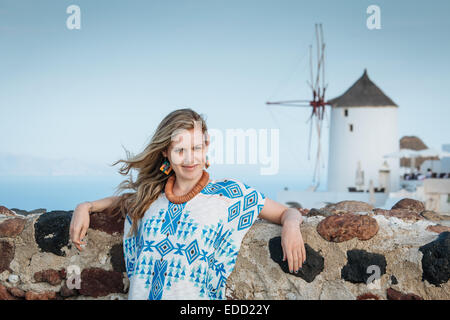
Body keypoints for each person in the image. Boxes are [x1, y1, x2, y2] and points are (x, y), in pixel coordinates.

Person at [69, 108, 306, 300]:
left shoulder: (229, 195)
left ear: (206, 147)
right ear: (166, 153)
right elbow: (122, 201)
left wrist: (292, 228)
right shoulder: (149, 198)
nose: (190, 158)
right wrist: (86, 207)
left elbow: (287, 212)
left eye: (196, 148)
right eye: (180, 150)